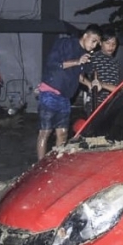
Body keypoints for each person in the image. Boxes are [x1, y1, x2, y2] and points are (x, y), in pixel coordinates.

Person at [36, 24, 102, 160]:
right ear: (85, 36)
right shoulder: (65, 44)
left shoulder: (84, 55)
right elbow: (53, 64)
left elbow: (80, 74)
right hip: (50, 92)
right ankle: (39, 166)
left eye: (97, 43)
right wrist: (77, 61)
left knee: (63, 133)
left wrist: (91, 83)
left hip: (65, 97)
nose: (94, 45)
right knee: (45, 132)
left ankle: (56, 164)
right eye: (93, 40)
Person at [80, 26, 120, 114]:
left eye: (114, 44)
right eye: (108, 43)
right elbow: (79, 75)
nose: (111, 46)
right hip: (95, 102)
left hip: (110, 103)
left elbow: (115, 84)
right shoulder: (93, 57)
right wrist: (90, 84)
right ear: (100, 43)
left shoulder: (115, 62)